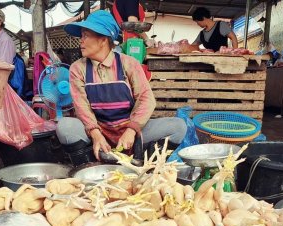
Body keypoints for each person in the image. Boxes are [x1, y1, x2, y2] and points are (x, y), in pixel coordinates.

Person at [57, 10, 186, 166]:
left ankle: (144, 167)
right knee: (65, 127)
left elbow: (146, 99)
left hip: (131, 129)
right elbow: (81, 105)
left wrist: (132, 130)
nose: (81, 41)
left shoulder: (129, 64)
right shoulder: (78, 68)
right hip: (98, 130)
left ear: (103, 39)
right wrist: (96, 134)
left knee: (178, 127)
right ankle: (91, 167)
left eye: (85, 35)